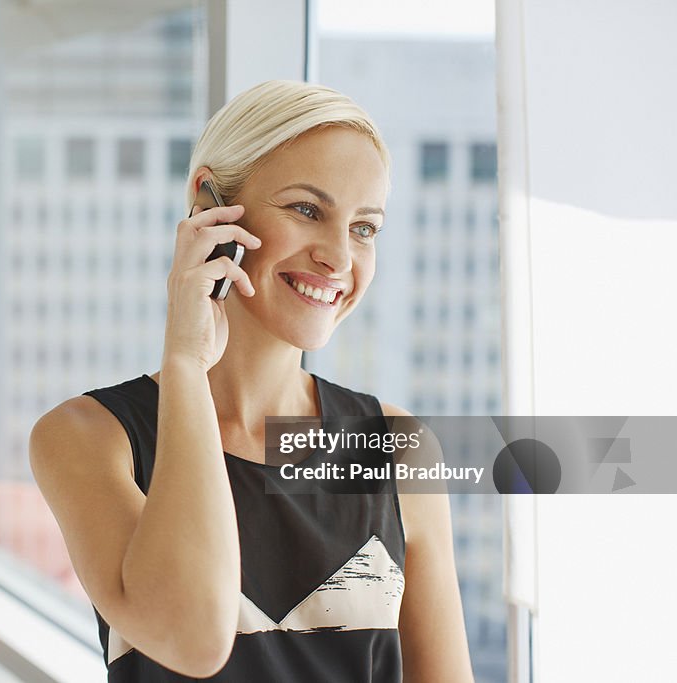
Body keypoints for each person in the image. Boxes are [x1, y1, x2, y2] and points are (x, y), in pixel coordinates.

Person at [30, 80, 473, 682]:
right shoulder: (87, 438)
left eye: (364, 228)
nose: (340, 258)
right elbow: (189, 639)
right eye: (307, 210)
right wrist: (186, 366)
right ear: (208, 201)